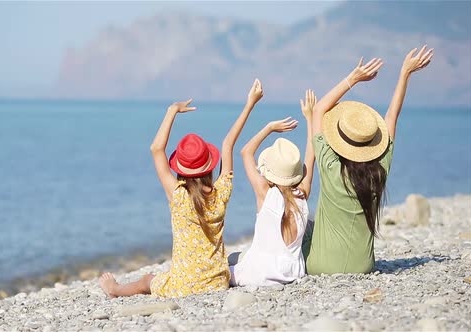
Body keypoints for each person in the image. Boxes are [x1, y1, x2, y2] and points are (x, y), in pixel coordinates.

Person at [99, 79, 265, 298]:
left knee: (147, 280)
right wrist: (250, 104)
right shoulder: (221, 193)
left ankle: (114, 290)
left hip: (183, 286)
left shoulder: (178, 195)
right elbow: (228, 144)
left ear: (180, 169)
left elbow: (156, 149)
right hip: (217, 282)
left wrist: (172, 111)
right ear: (209, 166)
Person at [305, 46, 434, 275]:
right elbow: (392, 116)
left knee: (305, 229)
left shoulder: (331, 167)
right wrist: (405, 74)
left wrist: (353, 79)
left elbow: (318, 111)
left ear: (339, 140)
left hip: (320, 267)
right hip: (363, 267)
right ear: (372, 143)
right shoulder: (379, 171)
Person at [229, 90, 317, 286]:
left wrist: (269, 128)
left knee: (229, 262)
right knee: (238, 256)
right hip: (292, 274)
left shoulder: (265, 193)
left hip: (258, 275)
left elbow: (245, 152)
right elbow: (311, 155)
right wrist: (310, 118)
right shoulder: (302, 194)